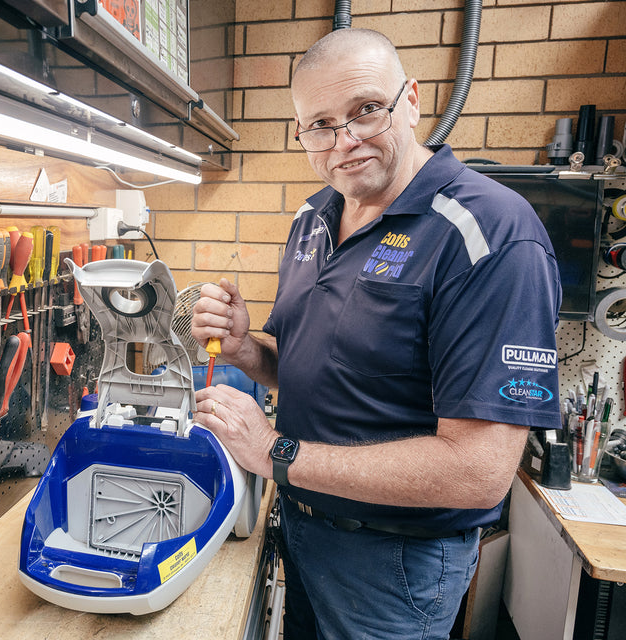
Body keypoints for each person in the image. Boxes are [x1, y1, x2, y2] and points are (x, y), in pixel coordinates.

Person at [191, 28, 561, 640]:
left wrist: (275, 452)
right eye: (320, 124)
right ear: (300, 133)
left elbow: (479, 470)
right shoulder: (313, 218)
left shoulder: (489, 234)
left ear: (411, 100)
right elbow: (322, 370)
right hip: (304, 531)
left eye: (366, 110)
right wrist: (245, 350)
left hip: (395, 567)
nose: (347, 140)